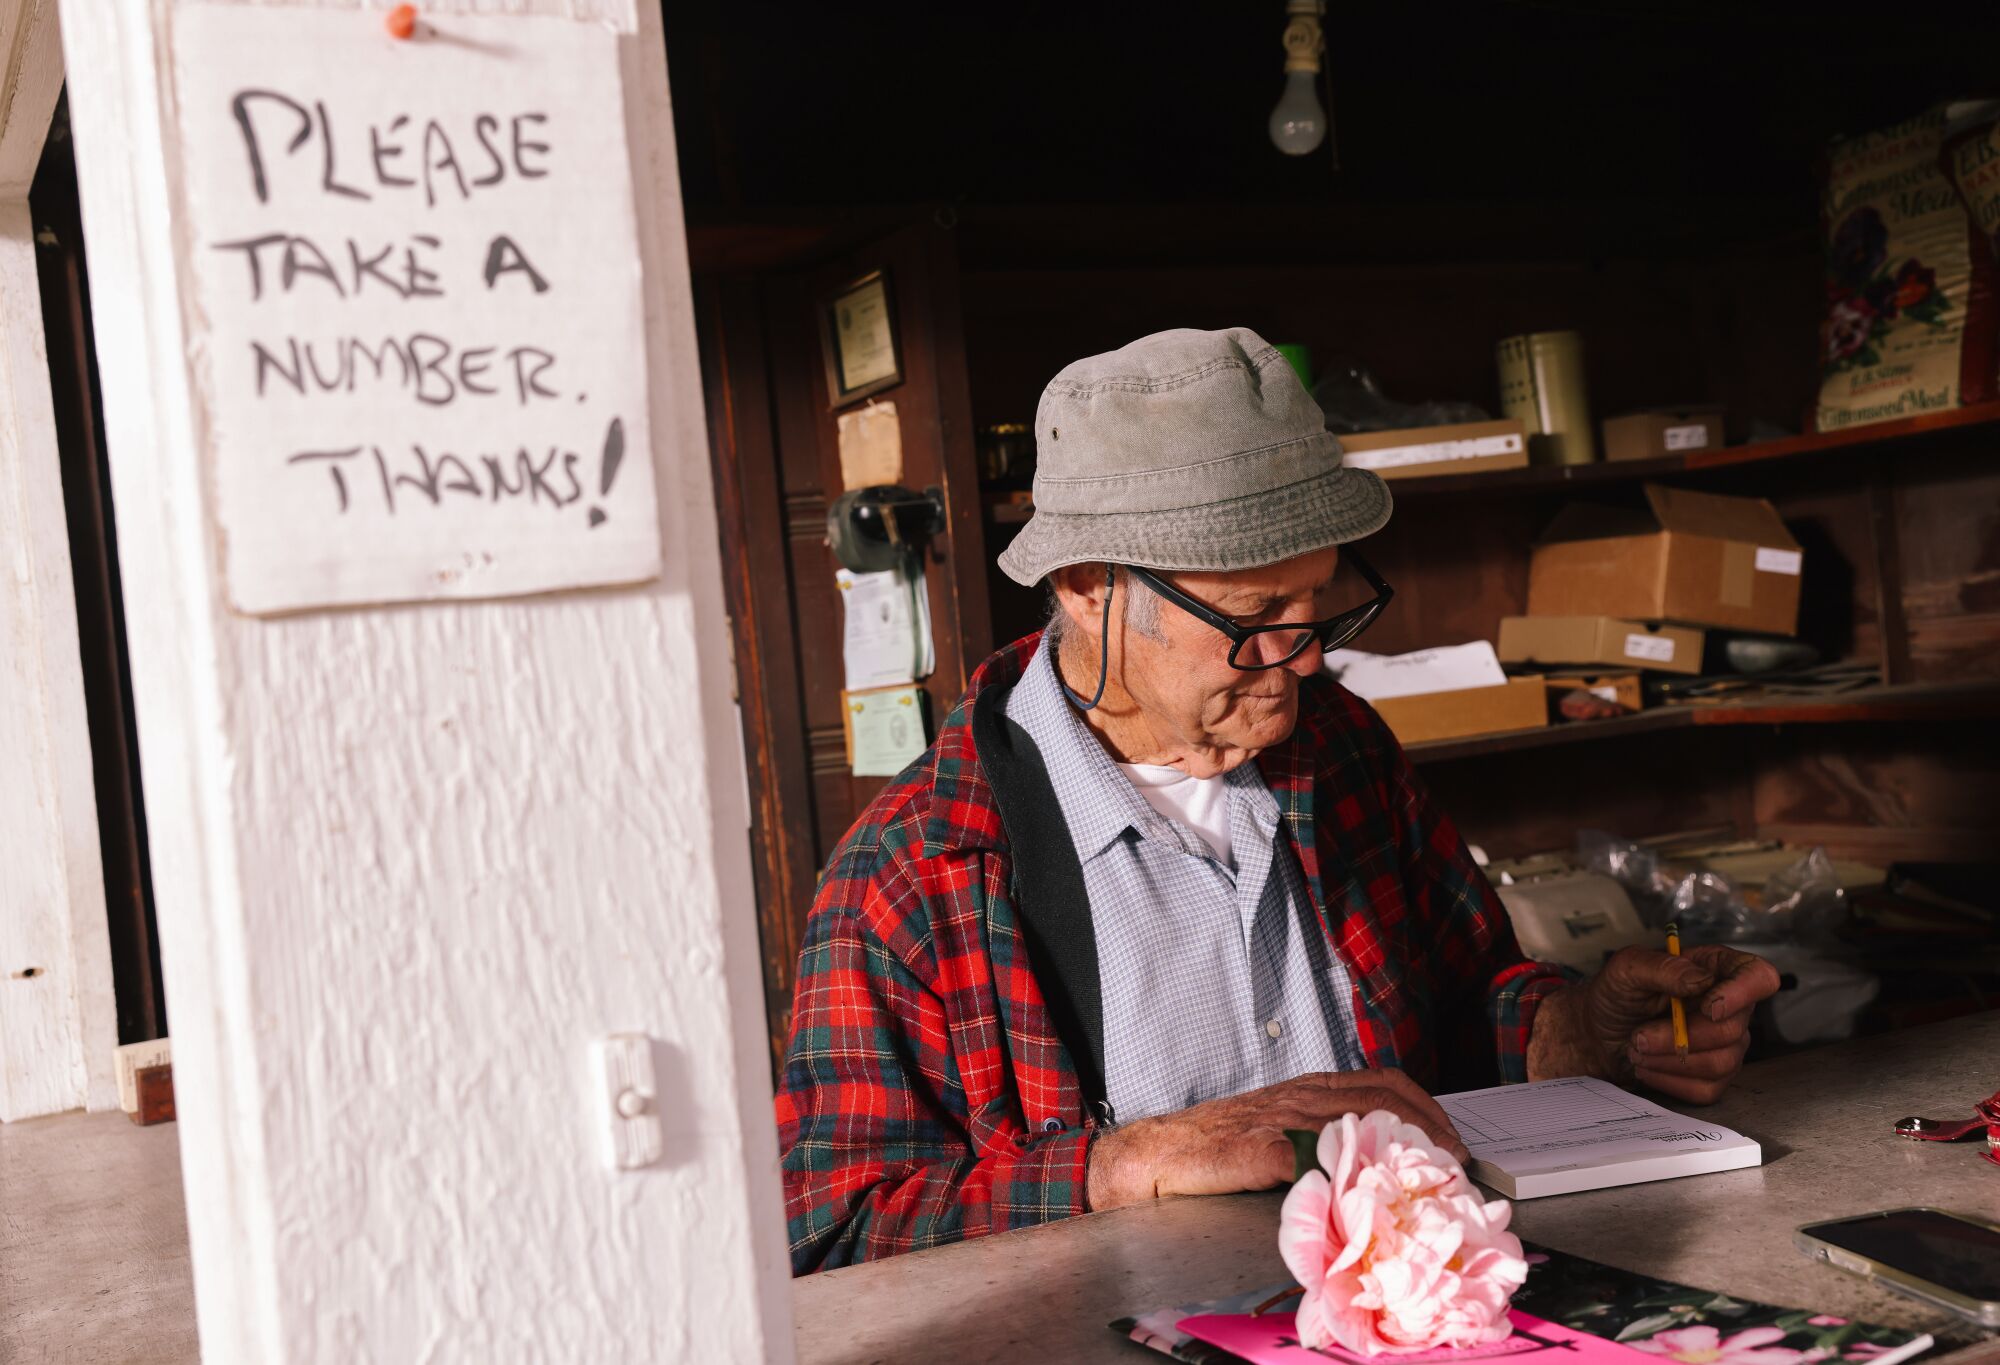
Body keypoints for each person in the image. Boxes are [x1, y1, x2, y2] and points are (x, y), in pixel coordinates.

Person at [774, 326, 1779, 1275]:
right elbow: (831, 1234)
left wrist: (1585, 1034)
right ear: (1087, 586)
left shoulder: (1336, 748)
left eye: (1320, 607)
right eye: (1254, 618)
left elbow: (1465, 1006)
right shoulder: (914, 872)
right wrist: (1122, 1163)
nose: (1297, 665)